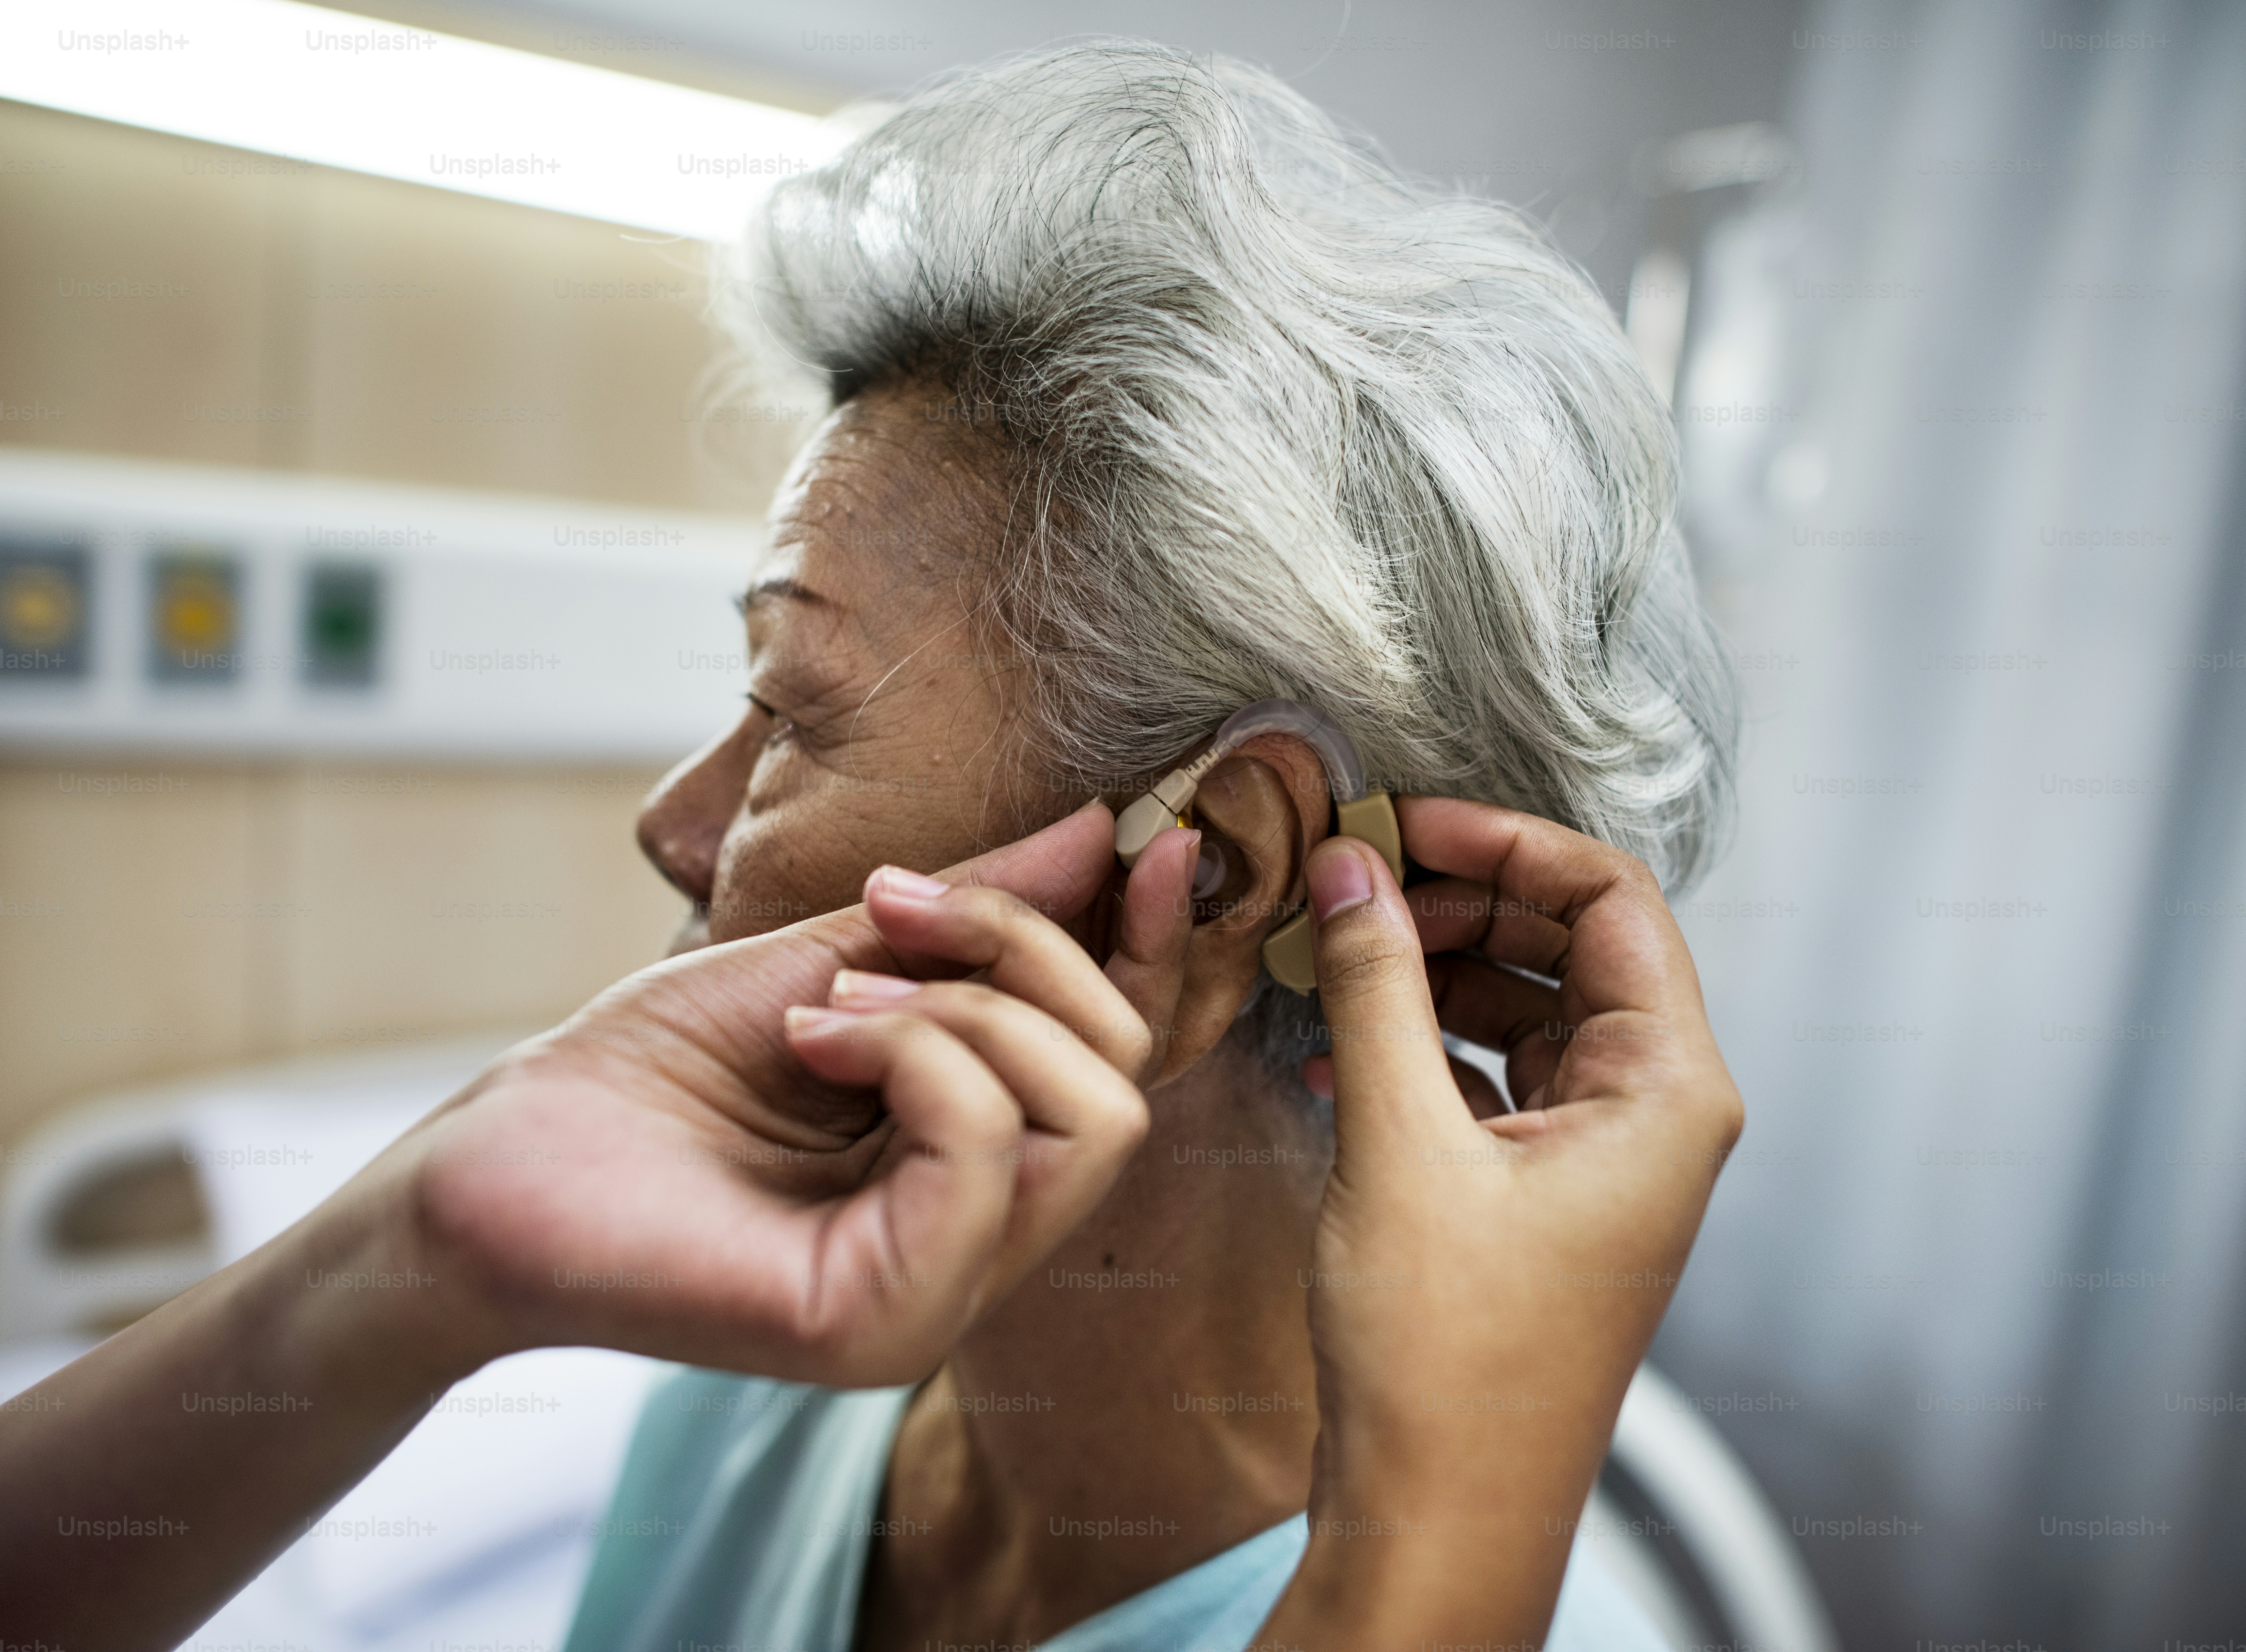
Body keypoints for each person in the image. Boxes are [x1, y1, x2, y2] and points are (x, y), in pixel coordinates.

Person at [0, 39, 1746, 1652]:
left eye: (793, 709)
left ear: (1212, 873)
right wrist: (436, 1233)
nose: (676, 825)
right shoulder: (763, 1406)